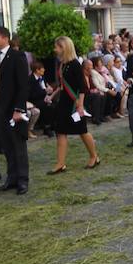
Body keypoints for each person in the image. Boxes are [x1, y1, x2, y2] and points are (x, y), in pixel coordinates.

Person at [0, 27, 30, 195]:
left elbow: (23, 85)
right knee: (6, 144)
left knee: (18, 143)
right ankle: (12, 178)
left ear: (4, 38)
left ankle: (23, 179)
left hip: (12, 106)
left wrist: (19, 109)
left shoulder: (18, 57)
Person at [46, 36, 99, 173]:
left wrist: (80, 105)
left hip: (75, 102)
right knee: (61, 131)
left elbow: (82, 87)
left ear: (65, 48)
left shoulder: (75, 64)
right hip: (64, 101)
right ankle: (60, 163)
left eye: (57, 47)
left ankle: (94, 156)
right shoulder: (62, 64)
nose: (55, 49)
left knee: (82, 131)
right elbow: (62, 85)